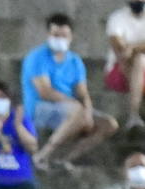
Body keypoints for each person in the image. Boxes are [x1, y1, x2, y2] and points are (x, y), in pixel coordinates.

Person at [23, 13, 118, 170]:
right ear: (48, 34)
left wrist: (87, 109)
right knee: (77, 111)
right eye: (55, 35)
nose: (60, 39)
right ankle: (43, 155)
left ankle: (65, 158)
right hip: (40, 108)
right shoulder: (36, 57)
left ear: (71, 36)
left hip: (70, 110)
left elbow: (82, 91)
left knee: (109, 124)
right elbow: (44, 92)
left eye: (64, 35)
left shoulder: (75, 61)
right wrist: (76, 106)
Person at [105, 1, 145, 132]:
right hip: (120, 72)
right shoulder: (117, 18)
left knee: (138, 59)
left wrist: (132, 47)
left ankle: (134, 115)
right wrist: (136, 50)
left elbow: (127, 48)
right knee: (138, 59)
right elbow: (119, 46)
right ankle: (134, 113)